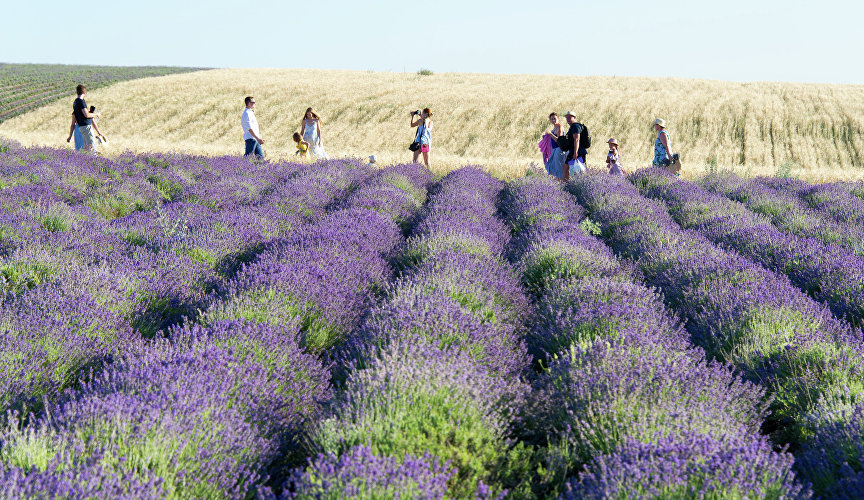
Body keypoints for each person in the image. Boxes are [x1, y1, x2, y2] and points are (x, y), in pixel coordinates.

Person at [72, 84, 100, 154]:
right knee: (92, 146)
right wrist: (96, 114)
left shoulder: (75, 102)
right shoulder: (81, 101)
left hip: (81, 127)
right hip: (86, 126)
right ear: (84, 91)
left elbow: (80, 114)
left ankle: (84, 160)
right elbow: (86, 115)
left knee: (86, 148)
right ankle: (93, 162)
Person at [539, 112, 567, 180]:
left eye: (554, 118)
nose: (553, 120)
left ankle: (561, 183)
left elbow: (559, 140)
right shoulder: (555, 127)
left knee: (558, 168)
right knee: (551, 165)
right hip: (554, 150)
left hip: (559, 149)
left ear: (558, 118)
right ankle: (558, 182)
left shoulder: (560, 127)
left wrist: (550, 134)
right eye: (551, 119)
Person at [563, 111, 588, 180]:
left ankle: (569, 185)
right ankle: (568, 185)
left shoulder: (575, 126)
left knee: (580, 170)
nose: (568, 119)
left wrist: (575, 152)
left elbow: (576, 139)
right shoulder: (573, 127)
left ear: (574, 118)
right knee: (568, 168)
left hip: (578, 152)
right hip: (574, 151)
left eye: (570, 117)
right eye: (567, 117)